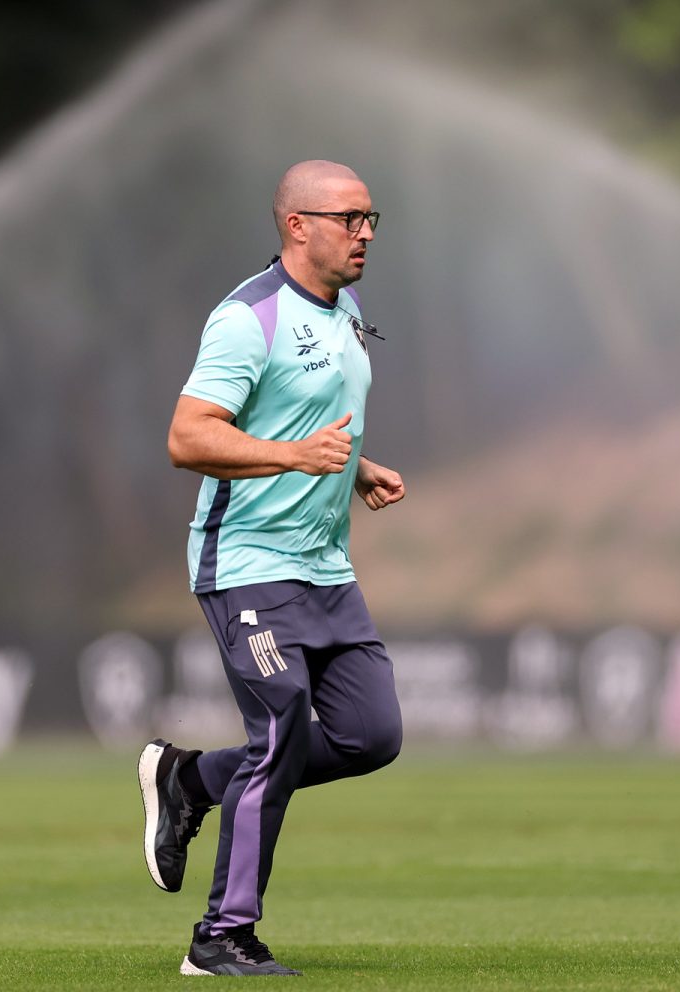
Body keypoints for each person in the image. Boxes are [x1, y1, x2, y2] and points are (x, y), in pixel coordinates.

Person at [138, 160, 406, 977]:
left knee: (372, 736)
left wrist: (355, 467)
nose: (365, 232)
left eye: (371, 217)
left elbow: (313, 411)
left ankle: (190, 780)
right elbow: (189, 438)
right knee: (282, 725)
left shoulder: (348, 308)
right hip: (246, 567)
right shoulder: (245, 319)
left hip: (326, 570)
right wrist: (295, 456)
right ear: (298, 225)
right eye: (349, 217)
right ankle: (221, 937)